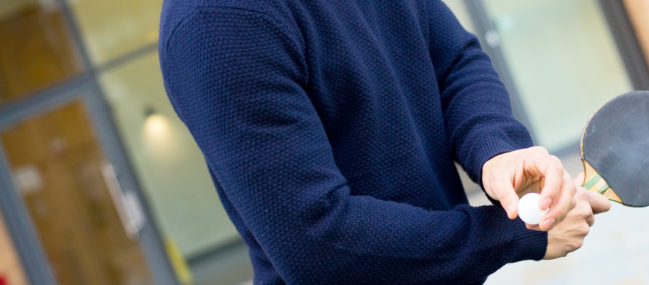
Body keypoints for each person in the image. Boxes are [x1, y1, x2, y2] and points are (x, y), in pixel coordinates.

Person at [158, 0, 611, 283]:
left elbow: (453, 60)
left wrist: (496, 150)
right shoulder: (215, 20)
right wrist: (511, 234)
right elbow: (318, 241)